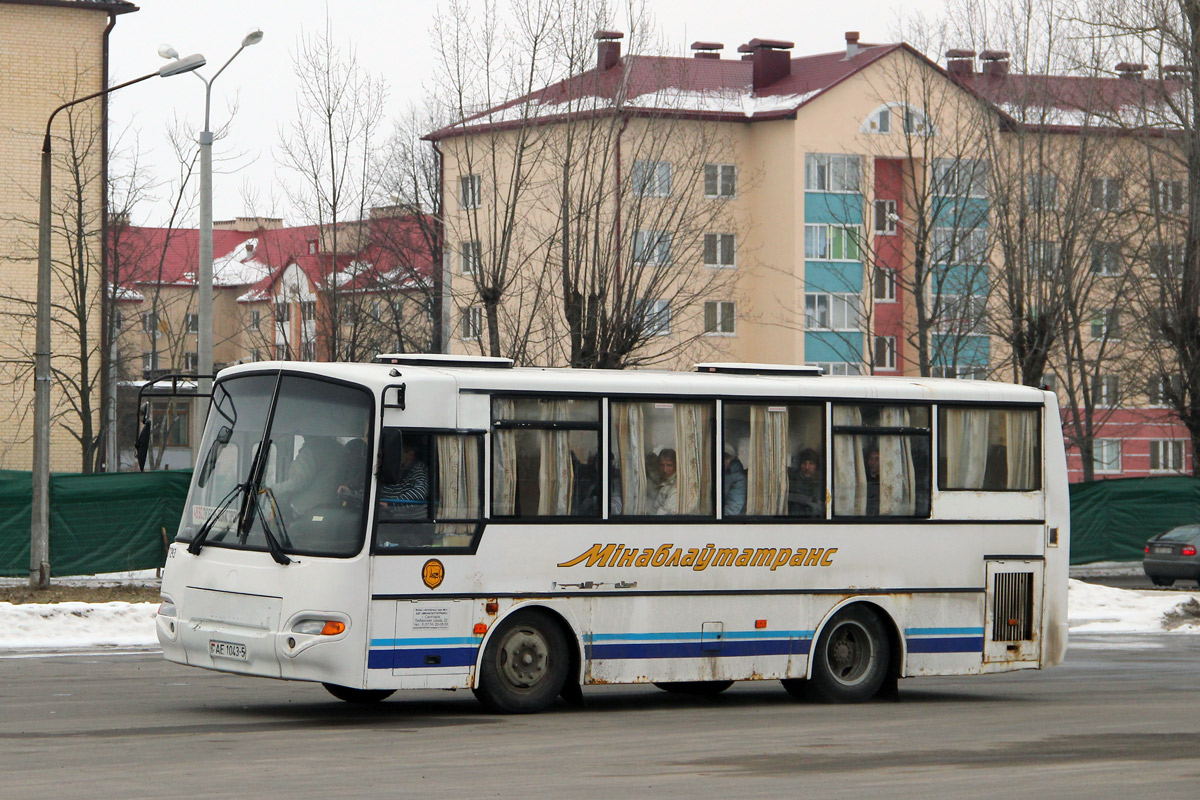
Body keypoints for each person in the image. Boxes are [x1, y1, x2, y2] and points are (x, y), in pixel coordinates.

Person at [378, 431, 430, 520]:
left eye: (396, 453)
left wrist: (391, 504)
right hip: (388, 519)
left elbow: (420, 491)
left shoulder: (418, 469)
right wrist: (352, 492)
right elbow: (376, 489)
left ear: (410, 454)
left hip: (409, 525)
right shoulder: (393, 469)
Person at [788, 447, 823, 517]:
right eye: (804, 463)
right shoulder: (791, 479)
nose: (807, 467)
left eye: (811, 463)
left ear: (816, 466)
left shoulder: (821, 483)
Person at [722, 444, 746, 516]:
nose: (724, 460)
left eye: (727, 457)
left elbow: (733, 508)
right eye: (722, 456)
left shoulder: (738, 479)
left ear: (731, 459)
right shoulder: (709, 475)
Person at [652, 448, 678, 515]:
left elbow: (664, 511)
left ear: (676, 465)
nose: (665, 469)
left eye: (669, 465)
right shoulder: (660, 481)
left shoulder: (676, 485)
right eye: (662, 465)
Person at [864, 446, 881, 516]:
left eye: (876, 459)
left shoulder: (885, 479)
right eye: (871, 459)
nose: (873, 462)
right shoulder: (864, 478)